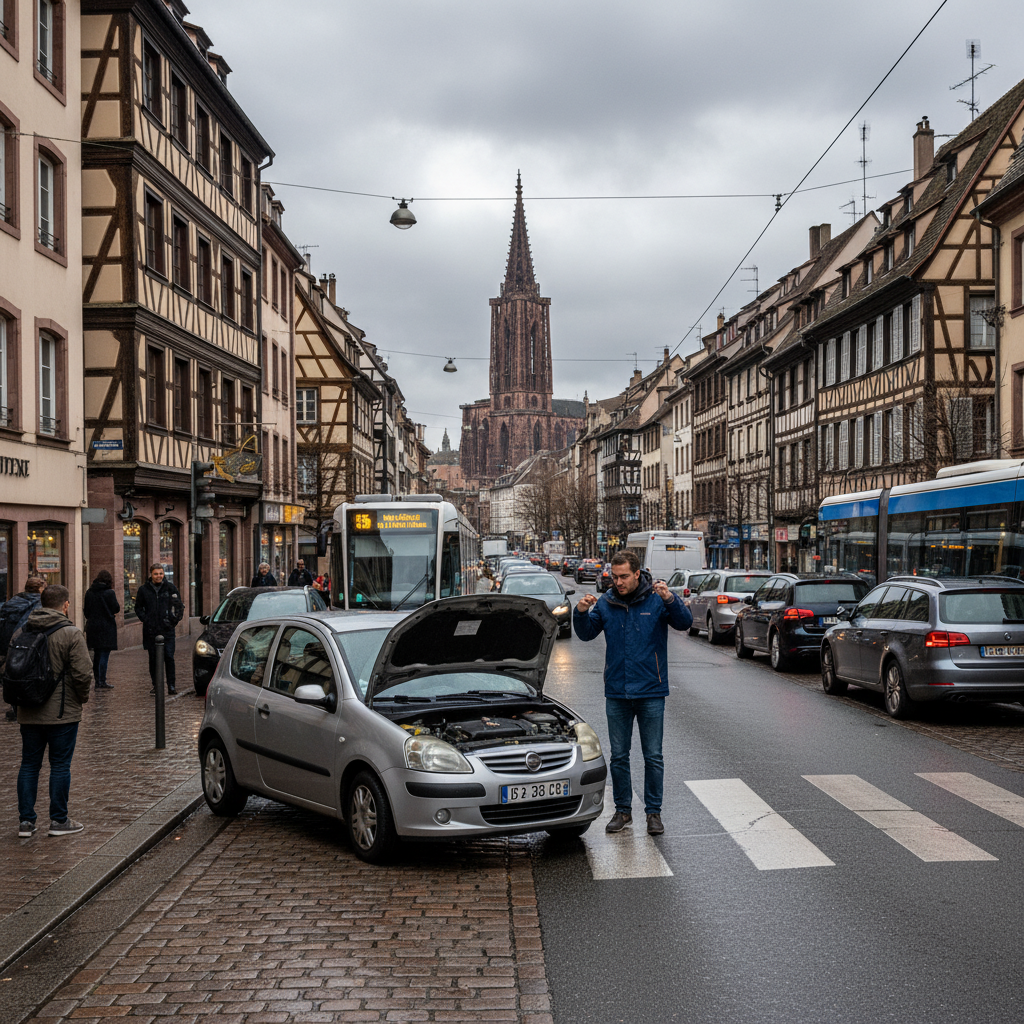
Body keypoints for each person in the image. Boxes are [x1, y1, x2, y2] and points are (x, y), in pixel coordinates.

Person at [572, 550, 692, 836]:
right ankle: (623, 811)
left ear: (638, 574)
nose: (619, 582)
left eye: (624, 576)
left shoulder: (655, 599)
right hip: (617, 691)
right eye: (615, 577)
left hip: (651, 689)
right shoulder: (607, 601)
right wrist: (580, 613)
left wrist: (671, 600)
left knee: (653, 756)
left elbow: (684, 622)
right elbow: (587, 633)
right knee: (619, 756)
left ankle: (654, 813)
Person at [15, 583, 94, 837]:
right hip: (62, 713)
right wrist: (80, 699)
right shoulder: (71, 633)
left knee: (29, 764)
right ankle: (59, 821)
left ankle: (26, 822)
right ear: (66, 605)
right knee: (60, 765)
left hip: (28, 711)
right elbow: (83, 674)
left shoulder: (21, 631)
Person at [134, 564, 185, 696]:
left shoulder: (170, 588)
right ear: (151, 574)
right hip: (151, 630)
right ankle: (156, 685)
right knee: (153, 659)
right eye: (156, 574)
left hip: (167, 630)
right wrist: (146, 619)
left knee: (169, 657)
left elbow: (179, 606)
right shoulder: (143, 590)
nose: (159, 576)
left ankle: (171, 685)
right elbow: (138, 608)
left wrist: (173, 620)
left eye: (161, 573)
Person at [2, 576, 47, 720]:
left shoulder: (14, 601)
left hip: (8, 644)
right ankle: (20, 707)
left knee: (12, 674)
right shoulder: (39, 603)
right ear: (40, 588)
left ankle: (14, 706)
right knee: (26, 673)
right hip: (27, 643)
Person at [83, 569, 120, 690]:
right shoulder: (109, 593)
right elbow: (116, 608)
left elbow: (86, 611)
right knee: (104, 654)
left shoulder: (89, 592)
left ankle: (97, 679)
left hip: (93, 626)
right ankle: (101, 681)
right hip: (106, 626)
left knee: (97, 654)